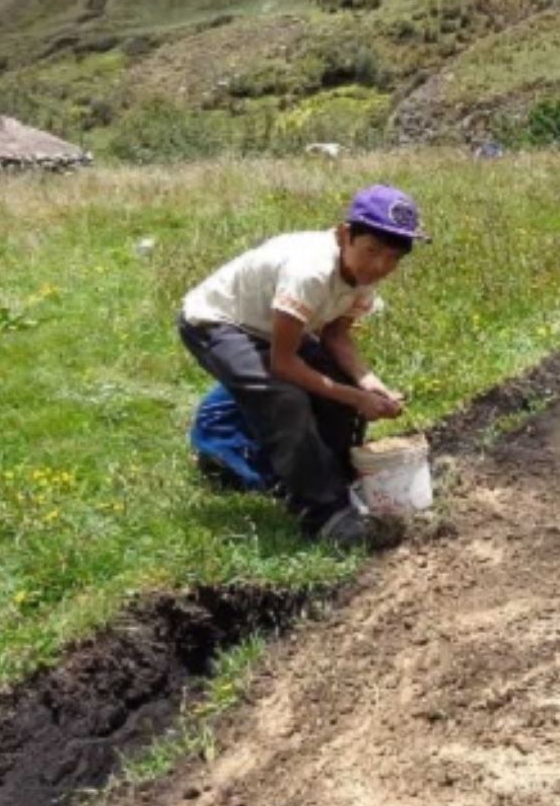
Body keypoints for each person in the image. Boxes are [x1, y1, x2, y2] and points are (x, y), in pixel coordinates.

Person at [176, 184, 426, 550]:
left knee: (336, 388)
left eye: (392, 258)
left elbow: (336, 337)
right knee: (285, 398)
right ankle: (324, 515)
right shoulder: (311, 271)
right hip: (219, 323)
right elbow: (284, 364)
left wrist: (370, 383)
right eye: (372, 251)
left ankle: (336, 482)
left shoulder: (362, 277)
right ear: (345, 235)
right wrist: (356, 397)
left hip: (273, 329)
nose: (380, 266)